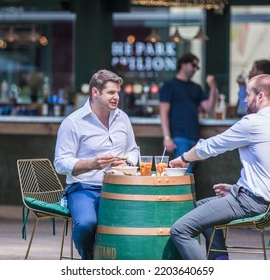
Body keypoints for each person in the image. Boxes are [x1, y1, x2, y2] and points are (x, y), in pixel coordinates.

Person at [168, 74, 270, 260]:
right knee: (199, 209)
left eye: (247, 94)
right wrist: (236, 189)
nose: (245, 99)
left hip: (251, 204)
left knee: (180, 230)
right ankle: (220, 261)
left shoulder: (253, 123)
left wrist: (184, 158)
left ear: (260, 96)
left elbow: (212, 146)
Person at [54, 69, 139, 259]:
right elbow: (60, 163)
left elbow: (133, 150)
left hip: (119, 187)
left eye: (117, 92)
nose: (116, 97)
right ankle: (91, 263)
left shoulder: (122, 118)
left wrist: (127, 162)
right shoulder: (73, 122)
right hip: (84, 187)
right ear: (95, 92)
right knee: (86, 224)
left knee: (140, 219)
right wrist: (91, 164)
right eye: (111, 92)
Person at [159, 52, 218, 173]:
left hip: (194, 137)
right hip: (179, 137)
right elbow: (163, 112)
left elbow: (209, 108)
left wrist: (213, 87)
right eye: (193, 65)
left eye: (197, 67)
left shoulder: (196, 87)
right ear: (183, 64)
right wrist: (167, 137)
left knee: (185, 174)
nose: (195, 69)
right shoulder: (169, 85)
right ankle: (178, 193)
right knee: (182, 173)